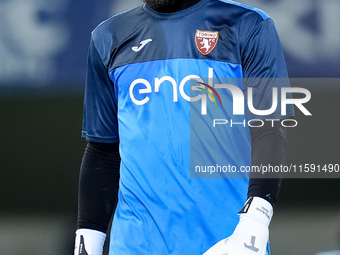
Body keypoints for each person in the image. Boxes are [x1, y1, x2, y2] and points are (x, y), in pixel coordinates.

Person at [74, 0, 295, 254]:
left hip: (228, 242)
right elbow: (103, 151)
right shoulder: (108, 36)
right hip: (135, 245)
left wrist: (255, 221)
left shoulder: (249, 25)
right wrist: (86, 243)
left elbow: (269, 131)